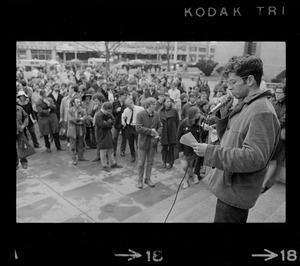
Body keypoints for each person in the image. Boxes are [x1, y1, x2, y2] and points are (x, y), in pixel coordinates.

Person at [192, 55, 280, 223]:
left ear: (250, 80)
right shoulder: (247, 104)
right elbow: (230, 137)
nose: (229, 87)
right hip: (229, 186)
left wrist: (210, 151)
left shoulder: (262, 111)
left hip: (236, 192)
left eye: (233, 82)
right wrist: (225, 112)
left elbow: (254, 158)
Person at [261, 84, 286, 193]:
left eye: (280, 93)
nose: (277, 94)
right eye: (276, 92)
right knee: (265, 158)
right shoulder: (273, 102)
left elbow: (283, 121)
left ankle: (264, 184)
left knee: (273, 160)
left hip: (279, 136)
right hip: (269, 134)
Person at [135, 97, 162, 188]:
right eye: (153, 104)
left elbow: (160, 126)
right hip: (143, 142)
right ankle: (139, 180)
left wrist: (157, 133)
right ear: (148, 105)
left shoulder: (157, 115)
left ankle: (147, 178)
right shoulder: (140, 114)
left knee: (150, 162)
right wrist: (151, 131)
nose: (155, 106)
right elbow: (138, 127)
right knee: (141, 162)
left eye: (155, 104)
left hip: (153, 142)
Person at [177, 106, 202, 188]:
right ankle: (194, 176)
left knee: (190, 166)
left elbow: (201, 136)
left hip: (194, 151)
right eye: (198, 113)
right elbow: (178, 137)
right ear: (193, 114)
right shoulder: (183, 124)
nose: (199, 114)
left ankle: (186, 181)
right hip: (184, 150)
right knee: (185, 166)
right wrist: (180, 150)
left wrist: (205, 129)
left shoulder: (198, 124)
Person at [95, 102, 122, 172]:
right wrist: (108, 123)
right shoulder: (98, 115)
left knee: (110, 148)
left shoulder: (108, 114)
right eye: (109, 111)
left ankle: (113, 163)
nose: (110, 113)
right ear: (105, 109)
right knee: (103, 150)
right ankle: (104, 165)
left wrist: (107, 123)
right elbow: (102, 125)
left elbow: (113, 121)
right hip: (101, 134)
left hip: (108, 133)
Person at [159, 96, 179, 169]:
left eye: (170, 101)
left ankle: (170, 162)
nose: (169, 103)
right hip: (164, 132)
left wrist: (177, 132)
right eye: (167, 102)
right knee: (163, 148)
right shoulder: (160, 111)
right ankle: (164, 161)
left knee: (171, 148)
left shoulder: (174, 111)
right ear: (164, 103)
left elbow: (177, 122)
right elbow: (159, 122)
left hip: (172, 132)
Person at [67, 96, 89, 165]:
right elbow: (70, 119)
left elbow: (85, 117)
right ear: (73, 103)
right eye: (77, 102)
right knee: (73, 144)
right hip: (73, 129)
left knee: (81, 143)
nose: (79, 103)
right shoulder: (69, 110)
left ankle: (80, 156)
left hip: (80, 129)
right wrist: (79, 120)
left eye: (79, 102)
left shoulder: (82, 109)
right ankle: (74, 159)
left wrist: (80, 120)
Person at [122, 98, 144, 162]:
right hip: (129, 127)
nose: (129, 107)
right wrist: (123, 121)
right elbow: (123, 116)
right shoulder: (126, 110)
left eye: (130, 106)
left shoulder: (140, 109)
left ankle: (140, 156)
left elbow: (145, 115)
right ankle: (133, 156)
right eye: (128, 106)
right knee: (131, 143)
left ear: (132, 103)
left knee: (138, 143)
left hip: (137, 127)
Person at [112, 89, 127, 157]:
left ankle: (122, 151)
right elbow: (112, 112)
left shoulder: (126, 103)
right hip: (117, 122)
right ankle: (114, 151)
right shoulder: (115, 103)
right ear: (120, 96)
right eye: (124, 95)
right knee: (115, 137)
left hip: (124, 123)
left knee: (124, 138)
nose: (125, 96)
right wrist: (116, 110)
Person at [91, 92, 105, 162]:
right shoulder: (96, 107)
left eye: (96, 101)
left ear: (100, 100)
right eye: (94, 101)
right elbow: (92, 114)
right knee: (97, 140)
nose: (95, 102)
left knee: (102, 141)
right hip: (96, 125)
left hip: (102, 126)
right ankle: (98, 155)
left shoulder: (103, 107)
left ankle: (104, 157)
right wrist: (93, 109)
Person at [16, 105, 29, 169]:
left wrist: (23, 125)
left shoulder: (19, 108)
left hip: (20, 131)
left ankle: (24, 162)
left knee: (22, 147)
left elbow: (26, 116)